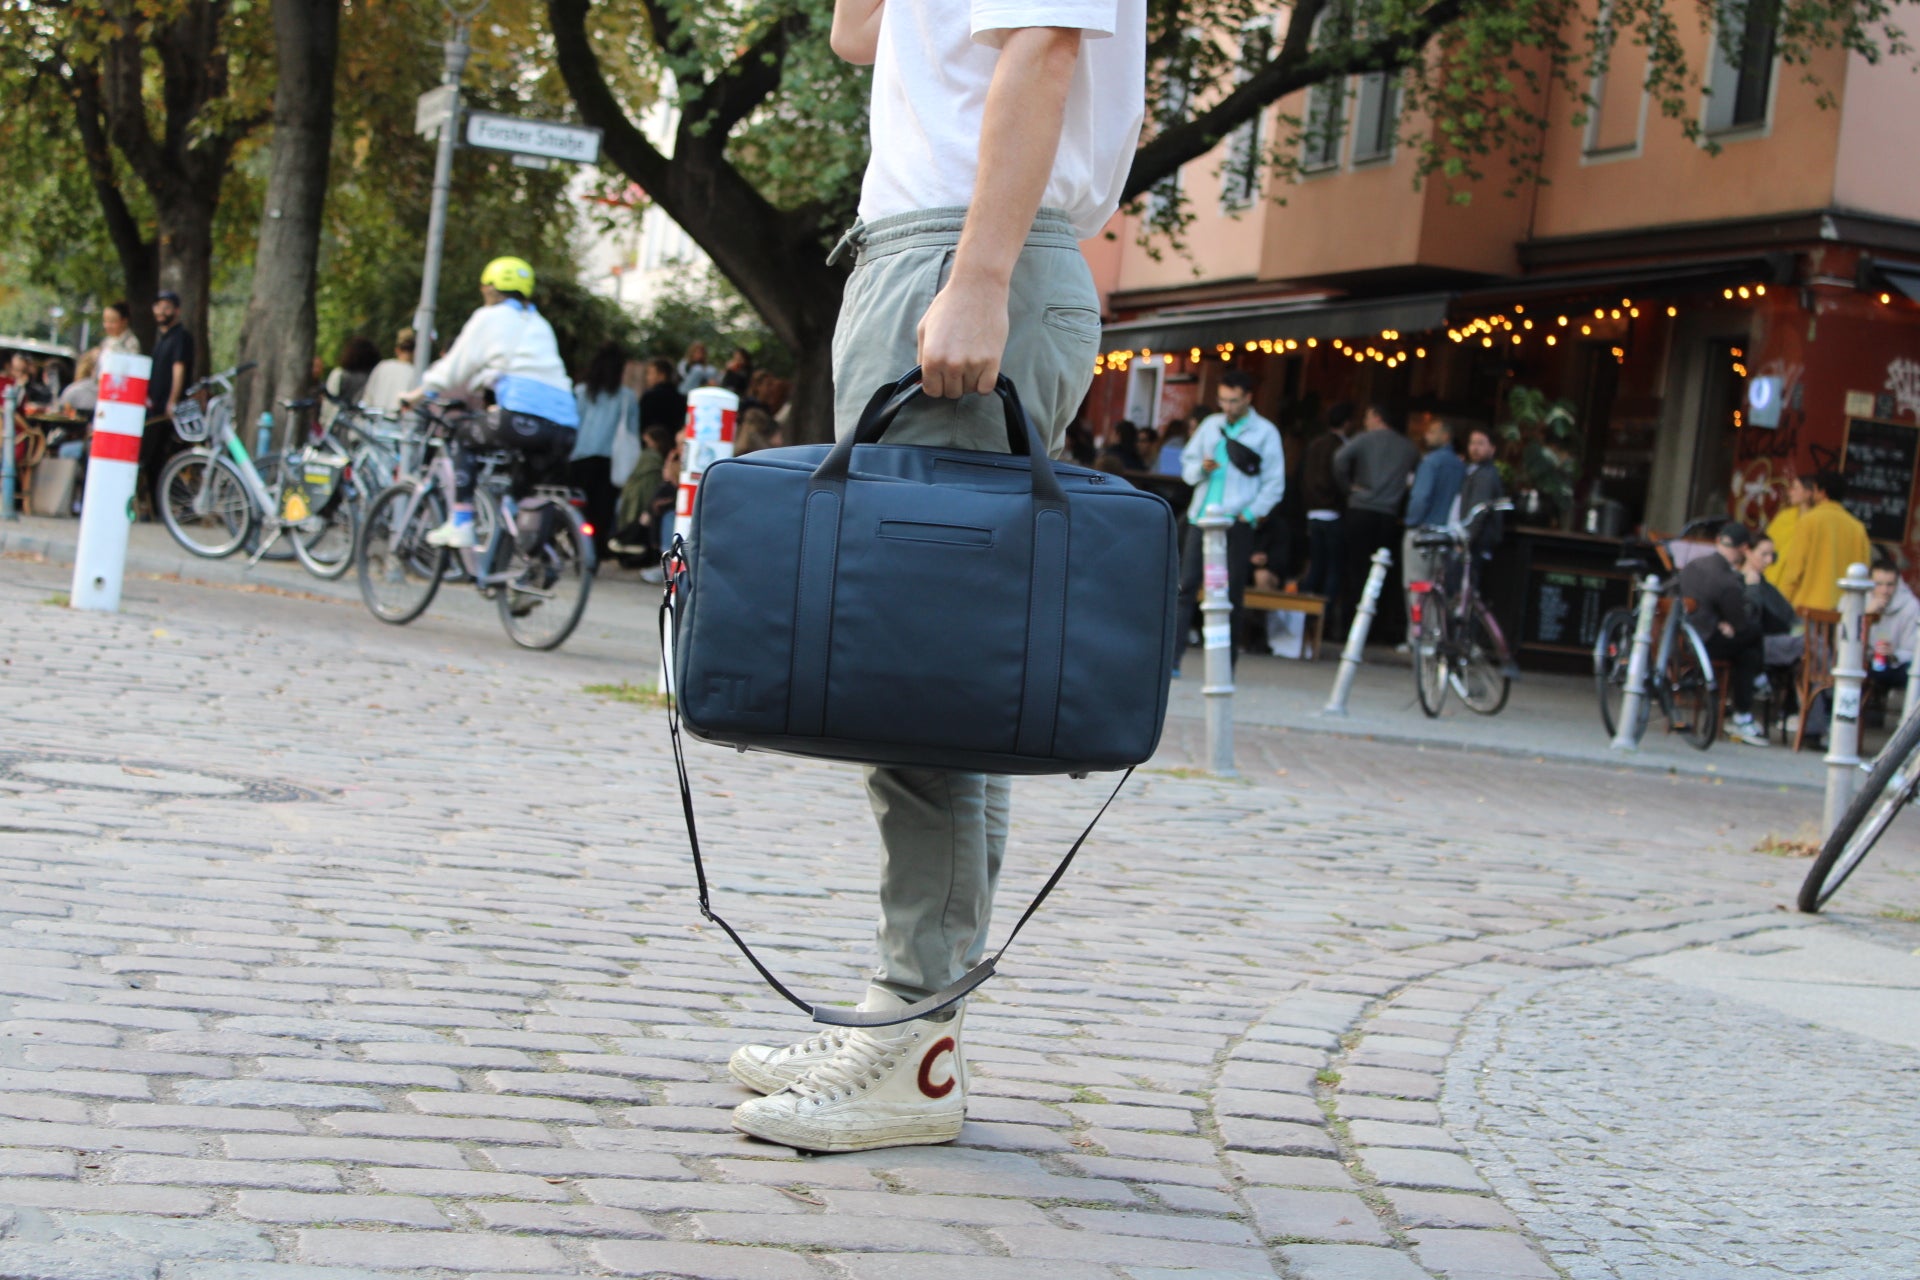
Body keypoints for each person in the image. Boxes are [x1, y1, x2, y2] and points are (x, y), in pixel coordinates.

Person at [726, 0, 1145, 1154]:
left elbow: (1044, 50)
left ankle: (913, 1042)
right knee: (908, 678)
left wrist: (978, 276)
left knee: (933, 679)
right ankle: (898, 1014)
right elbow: (863, 36)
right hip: (922, 249)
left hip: (966, 251)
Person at [400, 256, 579, 549]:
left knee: (460, 435)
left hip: (521, 419)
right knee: (520, 495)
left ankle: (461, 523)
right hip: (566, 428)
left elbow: (455, 367)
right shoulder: (539, 324)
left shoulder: (489, 317)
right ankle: (520, 557)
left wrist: (419, 394)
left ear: (491, 288)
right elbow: (511, 369)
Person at [1172, 371, 1286, 670]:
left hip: (1236, 520)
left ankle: (1227, 664)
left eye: (1233, 401)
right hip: (1202, 517)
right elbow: (1187, 466)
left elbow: (1275, 483)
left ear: (1248, 397)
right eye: (1222, 400)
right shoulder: (1211, 425)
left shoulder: (1265, 432)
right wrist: (1202, 469)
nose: (1227, 407)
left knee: (1231, 592)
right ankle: (1172, 659)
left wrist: (1249, 514)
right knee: (1185, 587)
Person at [1334, 402, 1420, 638]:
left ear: (1377, 417)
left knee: (1354, 569)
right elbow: (1417, 475)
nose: (1365, 422)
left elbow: (1339, 459)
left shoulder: (1364, 439)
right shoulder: (1408, 447)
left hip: (1361, 508)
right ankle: (1375, 630)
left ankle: (1348, 628)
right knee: (1381, 573)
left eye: (1368, 417)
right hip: (1389, 514)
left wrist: (1349, 488)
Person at [1679, 521, 1768, 746]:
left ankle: (1756, 685)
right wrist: (1752, 588)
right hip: (1706, 643)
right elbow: (1740, 622)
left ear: (1718, 540)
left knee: (1747, 648)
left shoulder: (1694, 565)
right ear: (1744, 549)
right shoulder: (1727, 580)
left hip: (1681, 639)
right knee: (1752, 639)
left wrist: (1722, 621)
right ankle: (1747, 704)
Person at [569, 341, 636, 558]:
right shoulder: (627, 398)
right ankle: (595, 554)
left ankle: (578, 549)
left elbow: (571, 425)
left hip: (579, 458)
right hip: (610, 462)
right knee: (603, 512)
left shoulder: (580, 392)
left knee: (579, 510)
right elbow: (632, 432)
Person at [1774, 470, 1872, 611]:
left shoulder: (1808, 521)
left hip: (1808, 608)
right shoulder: (1857, 527)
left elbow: (1794, 570)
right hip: (1844, 610)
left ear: (1822, 492)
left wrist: (1781, 603)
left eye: (1813, 489)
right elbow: (1863, 571)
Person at [1298, 402, 1352, 624]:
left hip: (1313, 513)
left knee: (1315, 566)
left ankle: (1301, 619)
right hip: (1333, 513)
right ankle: (1324, 621)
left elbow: (1303, 476)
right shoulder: (1342, 447)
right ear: (1348, 423)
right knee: (1332, 569)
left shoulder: (1314, 444)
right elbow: (1340, 479)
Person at [142, 290, 194, 510]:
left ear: (176, 310)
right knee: (154, 458)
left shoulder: (180, 337)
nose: (162, 312)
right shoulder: (161, 340)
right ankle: (161, 504)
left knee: (161, 457)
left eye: (167, 307)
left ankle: (176, 504)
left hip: (168, 410)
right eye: (158, 306)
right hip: (156, 407)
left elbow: (178, 369)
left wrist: (172, 401)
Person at [1402, 417, 1464, 592]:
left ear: (1446, 436)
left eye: (1432, 432)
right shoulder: (1460, 465)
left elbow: (1420, 498)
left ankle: (1418, 621)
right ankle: (1434, 621)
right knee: (1437, 592)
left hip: (1422, 533)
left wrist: (1412, 523)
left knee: (1417, 589)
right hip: (1445, 534)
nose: (1426, 435)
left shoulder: (1430, 462)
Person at [609, 424, 679, 559]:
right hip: (651, 495)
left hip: (648, 495)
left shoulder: (651, 457)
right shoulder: (663, 457)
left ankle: (626, 538)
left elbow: (669, 476)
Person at [1867, 558, 1919, 699]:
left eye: (1890, 585)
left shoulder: (1910, 606)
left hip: (1895, 667)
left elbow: (1913, 651)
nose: (1884, 590)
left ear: (1897, 584)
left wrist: (1894, 654)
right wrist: (1867, 616)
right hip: (1864, 663)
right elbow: (1845, 643)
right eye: (1878, 584)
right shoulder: (1858, 600)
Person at [1458, 426, 1506, 551]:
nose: (1475, 448)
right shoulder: (1474, 470)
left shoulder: (1486, 475)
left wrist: (1466, 540)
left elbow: (1478, 511)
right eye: (1472, 443)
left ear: (1492, 449)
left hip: (1476, 544)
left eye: (1480, 443)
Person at [1763, 473, 1812, 587]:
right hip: (1771, 579)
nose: (1790, 492)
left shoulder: (1815, 522)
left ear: (1808, 493)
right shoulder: (1784, 517)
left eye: (1795, 488)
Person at [322, 336, 382, 428]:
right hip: (363, 427)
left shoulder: (340, 374)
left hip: (341, 426)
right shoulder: (374, 377)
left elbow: (329, 405)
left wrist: (324, 422)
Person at [362, 329, 420, 414]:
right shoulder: (415, 373)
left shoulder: (382, 366)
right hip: (398, 423)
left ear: (397, 350)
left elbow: (367, 397)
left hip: (374, 420)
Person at [638, 356, 687, 434]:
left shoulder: (649, 397)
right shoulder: (681, 399)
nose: (648, 378)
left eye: (650, 373)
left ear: (661, 375)